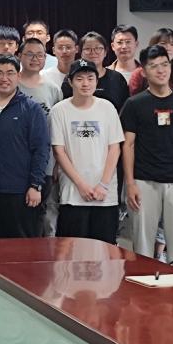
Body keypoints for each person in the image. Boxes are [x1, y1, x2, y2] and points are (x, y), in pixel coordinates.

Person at [121, 45, 173, 264]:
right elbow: (128, 145)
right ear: (144, 71)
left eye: (165, 65)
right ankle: (143, 285)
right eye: (154, 66)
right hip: (144, 181)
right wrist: (130, 184)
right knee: (142, 246)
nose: (161, 70)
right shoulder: (134, 104)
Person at [50, 60, 124, 244]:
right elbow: (59, 151)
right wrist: (81, 185)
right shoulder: (59, 111)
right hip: (73, 194)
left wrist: (103, 185)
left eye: (90, 78)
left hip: (105, 195)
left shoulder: (107, 108)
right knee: (72, 250)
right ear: (70, 82)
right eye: (79, 79)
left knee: (105, 250)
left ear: (97, 81)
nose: (85, 83)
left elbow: (115, 148)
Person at [0, 55, 50, 238]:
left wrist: (35, 185)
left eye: (10, 73)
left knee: (22, 247)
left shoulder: (32, 109)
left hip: (21, 191)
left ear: (18, 76)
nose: (4, 78)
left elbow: (41, 149)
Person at [16, 37, 63, 236]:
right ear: (19, 56)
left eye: (40, 55)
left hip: (45, 163)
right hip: (15, 163)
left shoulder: (53, 88)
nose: (35, 59)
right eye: (29, 54)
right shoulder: (10, 84)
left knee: (43, 214)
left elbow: (58, 129)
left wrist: (57, 163)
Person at [127, 28, 173, 104]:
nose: (168, 48)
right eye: (163, 43)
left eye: (172, 44)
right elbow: (132, 102)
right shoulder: (138, 74)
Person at [62, 32, 130, 112]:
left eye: (98, 48)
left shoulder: (117, 78)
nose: (93, 52)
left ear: (105, 52)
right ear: (81, 53)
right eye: (87, 49)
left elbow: (124, 109)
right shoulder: (72, 77)